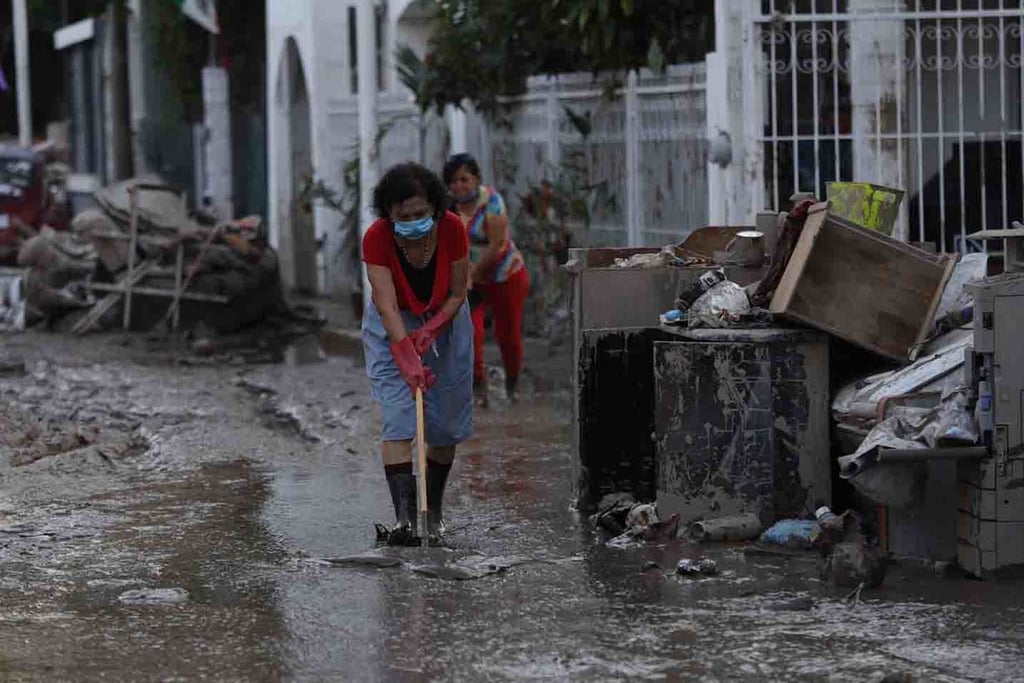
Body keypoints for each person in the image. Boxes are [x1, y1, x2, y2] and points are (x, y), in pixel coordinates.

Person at [361, 162, 473, 545]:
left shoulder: (453, 229)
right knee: (397, 416)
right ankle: (405, 521)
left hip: (447, 317)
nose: (412, 222)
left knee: (444, 423)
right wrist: (406, 355)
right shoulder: (376, 238)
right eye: (402, 217)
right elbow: (387, 305)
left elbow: (459, 292)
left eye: (420, 214)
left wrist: (431, 329)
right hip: (391, 324)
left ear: (436, 209)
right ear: (388, 216)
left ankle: (434, 512)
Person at [443, 153, 530, 405]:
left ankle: (513, 385)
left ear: (476, 179)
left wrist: (473, 272)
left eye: (464, 179)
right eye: (453, 181)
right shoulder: (448, 207)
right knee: (469, 332)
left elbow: (498, 245)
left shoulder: (491, 201)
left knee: (508, 334)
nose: (458, 186)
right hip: (469, 279)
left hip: (505, 275)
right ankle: (478, 388)